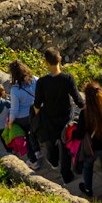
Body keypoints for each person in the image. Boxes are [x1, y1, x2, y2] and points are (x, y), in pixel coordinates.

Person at [31, 48, 84, 180]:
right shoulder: (68, 78)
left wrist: (39, 115)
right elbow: (78, 99)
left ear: (46, 62)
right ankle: (66, 176)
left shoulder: (42, 82)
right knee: (65, 147)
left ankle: (54, 162)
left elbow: (37, 104)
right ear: (59, 59)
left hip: (49, 119)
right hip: (66, 118)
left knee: (51, 143)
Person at [8, 60, 37, 142]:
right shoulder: (34, 79)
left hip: (23, 119)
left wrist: (10, 123)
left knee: (28, 138)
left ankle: (31, 149)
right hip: (36, 113)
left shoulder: (15, 90)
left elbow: (14, 110)